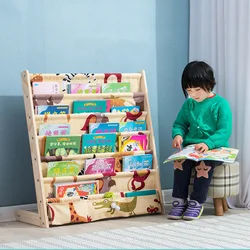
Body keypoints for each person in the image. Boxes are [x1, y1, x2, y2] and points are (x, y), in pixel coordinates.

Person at [167, 61, 232, 220]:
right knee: (180, 162)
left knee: (205, 165)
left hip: (215, 149)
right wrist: (177, 135)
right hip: (193, 149)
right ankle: (179, 201)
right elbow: (180, 124)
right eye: (189, 90)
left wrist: (208, 143)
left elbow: (224, 131)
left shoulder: (221, 104)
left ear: (209, 84)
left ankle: (196, 202)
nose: (194, 94)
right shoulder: (189, 104)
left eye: (197, 90)